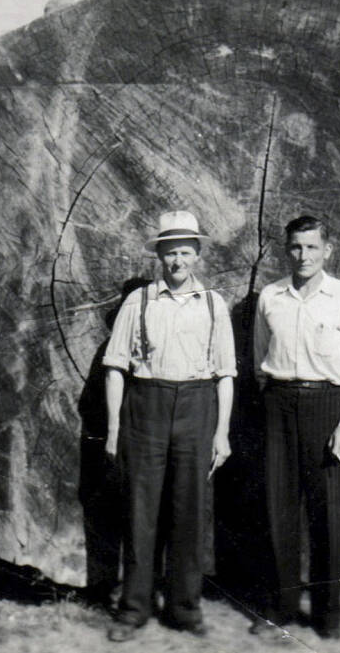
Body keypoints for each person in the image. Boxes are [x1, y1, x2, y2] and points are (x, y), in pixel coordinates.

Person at [102, 210, 237, 642]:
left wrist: (221, 432)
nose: (177, 261)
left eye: (184, 252)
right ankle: (134, 608)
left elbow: (226, 374)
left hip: (197, 409)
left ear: (196, 255)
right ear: (158, 256)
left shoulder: (214, 305)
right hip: (146, 408)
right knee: (141, 511)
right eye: (169, 253)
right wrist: (112, 429)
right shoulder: (138, 302)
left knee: (189, 511)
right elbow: (115, 368)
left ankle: (185, 607)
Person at [251, 214, 340, 641]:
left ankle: (327, 615)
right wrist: (274, 399)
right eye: (296, 247)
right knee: (277, 509)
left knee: (326, 515)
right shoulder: (271, 296)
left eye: (312, 247)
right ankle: (282, 608)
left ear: (328, 251)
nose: (303, 256)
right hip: (279, 404)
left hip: (326, 407)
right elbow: (259, 359)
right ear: (287, 250)